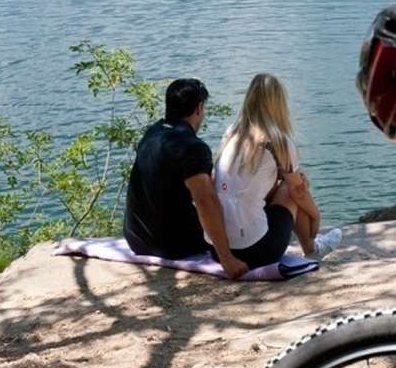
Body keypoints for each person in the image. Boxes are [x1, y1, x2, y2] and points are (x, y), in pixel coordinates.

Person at [211, 73, 343, 275]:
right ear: (278, 104)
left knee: (289, 180)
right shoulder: (278, 141)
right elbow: (298, 192)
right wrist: (316, 215)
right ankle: (312, 248)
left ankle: (310, 245)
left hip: (218, 249)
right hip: (256, 251)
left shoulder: (232, 133)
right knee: (293, 187)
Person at [123, 77, 230, 263]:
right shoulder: (193, 147)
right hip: (174, 246)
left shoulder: (152, 132)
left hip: (137, 240)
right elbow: (205, 200)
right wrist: (226, 258)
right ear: (198, 108)